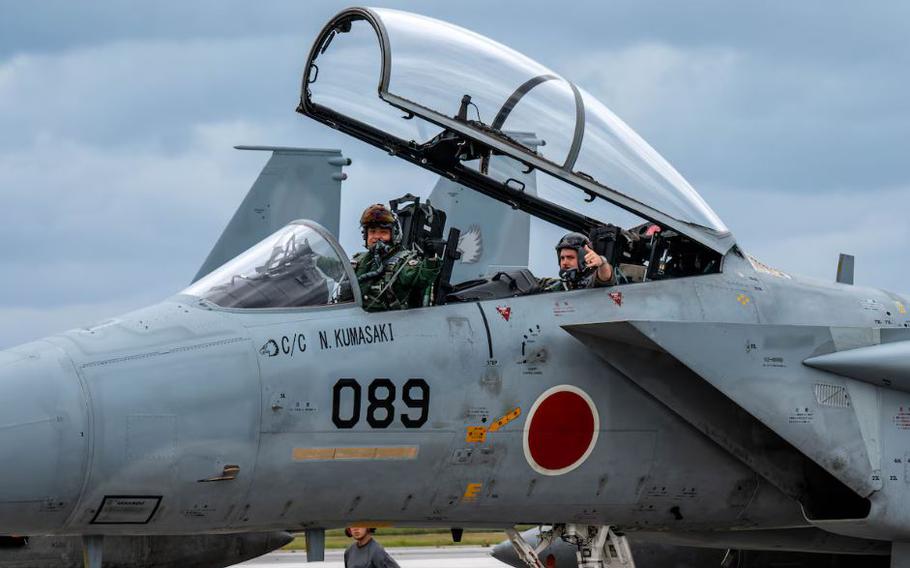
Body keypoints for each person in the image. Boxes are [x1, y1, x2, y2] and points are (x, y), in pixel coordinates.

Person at [351, 204, 441, 312]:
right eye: (372, 231)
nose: (376, 237)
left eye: (383, 232)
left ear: (394, 235)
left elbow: (422, 276)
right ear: (365, 235)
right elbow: (334, 267)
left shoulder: (402, 262)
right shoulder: (360, 260)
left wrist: (431, 257)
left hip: (389, 323)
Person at [538, 232, 614, 292]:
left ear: (584, 259)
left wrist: (602, 262)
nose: (564, 262)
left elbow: (605, 277)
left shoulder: (591, 283)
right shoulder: (557, 286)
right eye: (562, 258)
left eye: (570, 257)